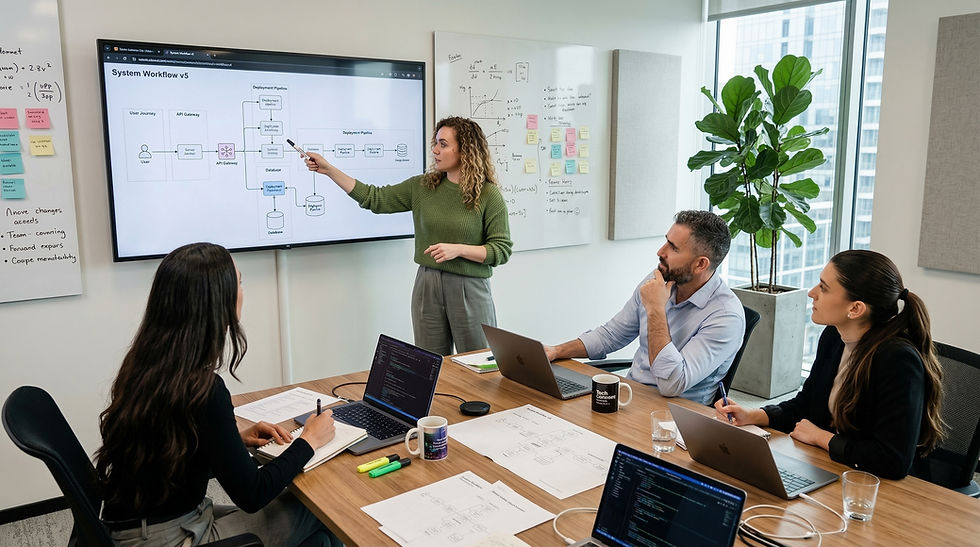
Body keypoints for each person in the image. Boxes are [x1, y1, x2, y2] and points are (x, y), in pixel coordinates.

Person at [96, 243, 341, 546]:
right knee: (325, 511)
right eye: (239, 282)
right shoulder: (203, 389)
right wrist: (309, 440)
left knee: (318, 540)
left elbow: (169, 449)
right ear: (218, 302)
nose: (242, 290)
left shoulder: (146, 363)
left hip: (138, 525)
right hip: (169, 537)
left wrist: (233, 441)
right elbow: (253, 494)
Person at [714, 250, 944, 480]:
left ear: (855, 309)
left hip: (879, 488)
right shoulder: (833, 337)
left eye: (823, 288)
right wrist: (753, 415)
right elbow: (806, 405)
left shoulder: (897, 360)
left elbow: (892, 460)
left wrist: (821, 437)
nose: (812, 293)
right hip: (832, 468)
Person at [303, 116, 512, 356]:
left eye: (443, 144)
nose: (435, 150)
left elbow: (501, 249)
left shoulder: (488, 194)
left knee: (478, 363)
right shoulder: (423, 187)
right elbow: (375, 198)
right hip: (427, 284)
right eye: (436, 143)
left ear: (466, 150)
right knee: (430, 363)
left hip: (469, 287)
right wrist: (329, 170)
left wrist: (459, 249)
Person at [545, 210, 745, 405]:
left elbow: (672, 384)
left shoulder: (726, 317)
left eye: (673, 248)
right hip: (631, 398)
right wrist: (556, 351)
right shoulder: (659, 280)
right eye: (666, 240)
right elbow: (612, 335)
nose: (660, 252)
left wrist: (656, 310)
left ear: (701, 264)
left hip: (676, 418)